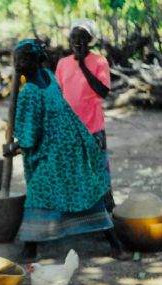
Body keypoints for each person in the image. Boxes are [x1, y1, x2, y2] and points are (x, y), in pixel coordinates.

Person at [4, 39, 128, 261]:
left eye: (22, 59)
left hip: (55, 151)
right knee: (84, 187)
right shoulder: (48, 78)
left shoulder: (30, 91)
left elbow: (30, 135)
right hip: (72, 145)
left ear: (35, 60)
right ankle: (115, 245)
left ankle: (30, 248)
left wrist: (13, 147)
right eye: (16, 59)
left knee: (38, 192)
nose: (18, 63)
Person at [55, 19, 115, 212]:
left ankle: (107, 212)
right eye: (74, 37)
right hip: (69, 129)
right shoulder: (63, 63)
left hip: (93, 128)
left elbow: (103, 91)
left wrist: (82, 66)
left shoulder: (99, 61)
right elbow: (58, 95)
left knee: (98, 170)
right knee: (73, 170)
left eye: (82, 38)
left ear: (89, 40)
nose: (77, 41)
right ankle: (78, 211)